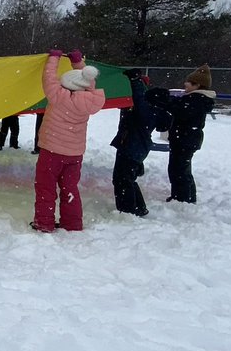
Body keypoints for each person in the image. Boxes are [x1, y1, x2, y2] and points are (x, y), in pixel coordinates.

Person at [31, 49, 106, 232]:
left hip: (52, 152)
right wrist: (78, 62)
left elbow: (48, 78)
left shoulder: (59, 97)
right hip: (75, 154)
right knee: (70, 188)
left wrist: (54, 58)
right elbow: (89, 81)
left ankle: (44, 223)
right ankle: (72, 223)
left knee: (46, 189)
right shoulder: (89, 99)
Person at [146, 64, 217, 203]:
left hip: (185, 139)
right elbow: (178, 105)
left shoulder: (197, 100)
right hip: (185, 138)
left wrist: (163, 101)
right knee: (181, 169)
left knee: (178, 170)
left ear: (197, 85)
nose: (185, 84)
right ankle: (186, 197)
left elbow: (180, 111)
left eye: (188, 82)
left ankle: (182, 199)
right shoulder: (194, 99)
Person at [109, 68, 169, 217]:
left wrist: (135, 81)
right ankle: (139, 207)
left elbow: (139, 98)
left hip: (131, 148)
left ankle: (127, 210)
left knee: (122, 179)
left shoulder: (148, 111)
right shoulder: (154, 112)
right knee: (128, 179)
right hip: (135, 148)